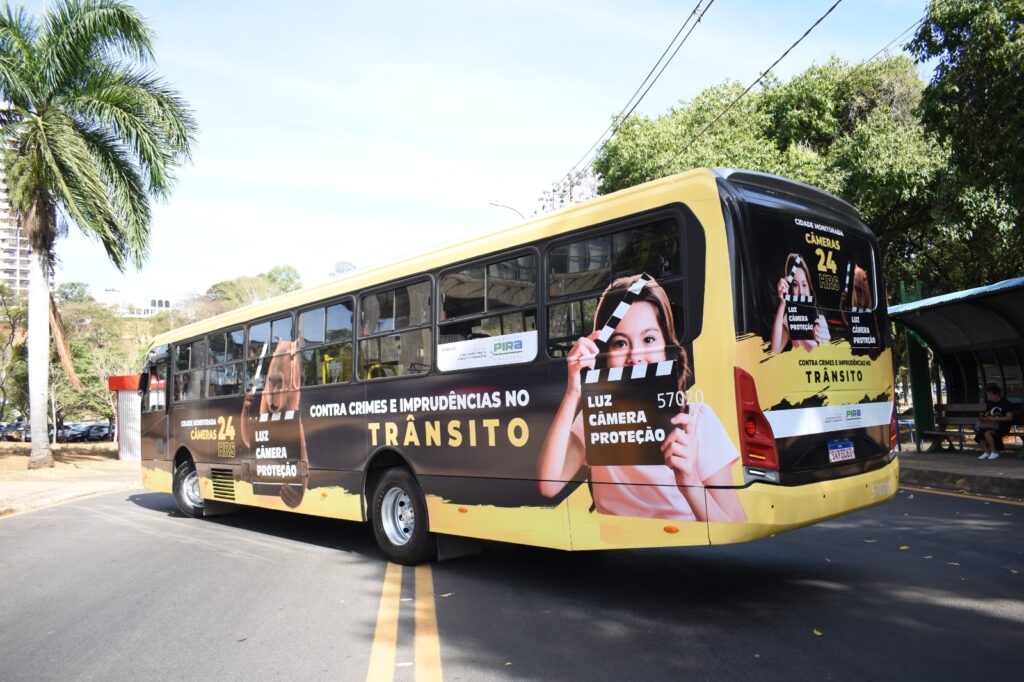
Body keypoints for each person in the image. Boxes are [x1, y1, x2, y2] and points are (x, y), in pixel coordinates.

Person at [536, 274, 746, 522]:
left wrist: (690, 481)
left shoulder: (697, 421)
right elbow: (548, 485)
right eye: (620, 343)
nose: (635, 356)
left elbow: (735, 522)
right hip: (618, 554)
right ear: (605, 353)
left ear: (667, 347)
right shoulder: (595, 419)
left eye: (648, 339)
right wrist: (573, 392)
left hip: (682, 551)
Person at [241, 339, 308, 507]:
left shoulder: (294, 406)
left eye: (280, 383)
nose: (274, 393)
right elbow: (251, 441)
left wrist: (300, 491)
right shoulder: (264, 399)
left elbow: (302, 456)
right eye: (272, 382)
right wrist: (245, 412)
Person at [771, 253, 831, 354]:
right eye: (795, 285)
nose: (801, 292)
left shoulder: (820, 320)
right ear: (789, 289)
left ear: (809, 287)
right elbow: (774, 351)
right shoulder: (788, 319)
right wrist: (782, 302)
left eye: (804, 284)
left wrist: (820, 343)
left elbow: (829, 355)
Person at [975, 384, 1014, 460]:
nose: (989, 397)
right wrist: (985, 417)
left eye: (991, 395)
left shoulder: (1005, 402)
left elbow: (1009, 418)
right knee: (979, 434)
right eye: (988, 395)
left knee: (987, 433)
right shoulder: (990, 403)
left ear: (997, 394)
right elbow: (987, 414)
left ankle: (994, 452)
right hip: (992, 425)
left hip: (1003, 425)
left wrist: (994, 419)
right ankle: (987, 452)